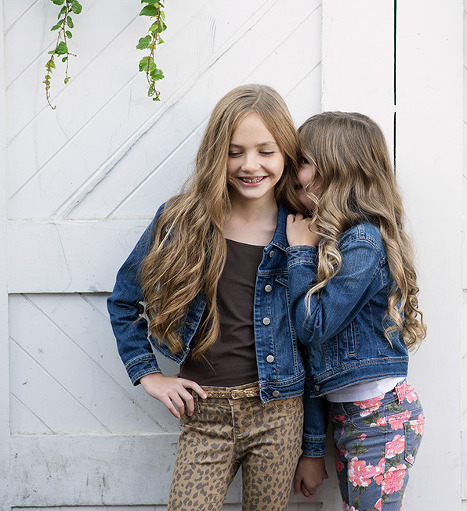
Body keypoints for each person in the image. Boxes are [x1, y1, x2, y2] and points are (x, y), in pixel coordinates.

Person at [107, 84, 306, 511]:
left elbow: (318, 338)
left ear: (287, 153)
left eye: (265, 151)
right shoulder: (183, 220)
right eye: (235, 151)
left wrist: (311, 447)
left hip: (279, 413)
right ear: (217, 152)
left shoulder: (302, 231)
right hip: (204, 414)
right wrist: (148, 374)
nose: (249, 165)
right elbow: (124, 300)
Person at [286, 112, 426, 511]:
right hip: (352, 417)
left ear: (337, 171)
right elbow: (313, 360)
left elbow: (313, 327)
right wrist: (313, 448)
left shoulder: (362, 242)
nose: (295, 172)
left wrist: (298, 253)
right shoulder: (331, 240)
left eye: (304, 161)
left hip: (382, 417)